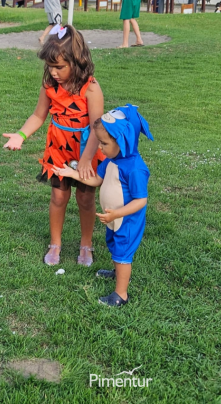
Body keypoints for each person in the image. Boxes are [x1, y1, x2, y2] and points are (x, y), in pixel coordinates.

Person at [2, 25, 105, 267]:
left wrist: (85, 161)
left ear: (77, 61)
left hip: (85, 151)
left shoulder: (91, 88)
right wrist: (20, 135)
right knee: (58, 197)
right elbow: (38, 116)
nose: (54, 72)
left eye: (59, 67)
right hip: (58, 150)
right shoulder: (50, 87)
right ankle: (55, 244)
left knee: (86, 199)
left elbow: (97, 129)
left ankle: (86, 244)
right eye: (50, 66)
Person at [52, 104, 153, 307]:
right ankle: (119, 273)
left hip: (126, 220)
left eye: (104, 143)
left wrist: (117, 214)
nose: (100, 148)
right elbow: (97, 180)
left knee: (123, 253)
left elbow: (141, 200)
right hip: (114, 218)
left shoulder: (135, 169)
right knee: (116, 248)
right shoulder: (111, 160)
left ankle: (121, 294)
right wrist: (73, 174)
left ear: (123, 141)